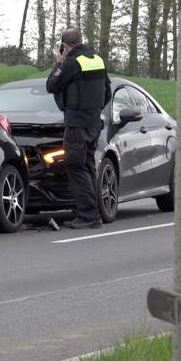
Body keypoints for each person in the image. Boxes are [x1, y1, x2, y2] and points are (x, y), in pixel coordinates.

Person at [46, 28, 112, 229]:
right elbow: (107, 93)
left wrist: (59, 62)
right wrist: (93, 110)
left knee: (75, 166)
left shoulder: (72, 62)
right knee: (88, 166)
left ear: (64, 46)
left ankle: (87, 216)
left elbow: (52, 85)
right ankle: (93, 214)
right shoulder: (97, 60)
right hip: (93, 123)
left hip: (77, 124)